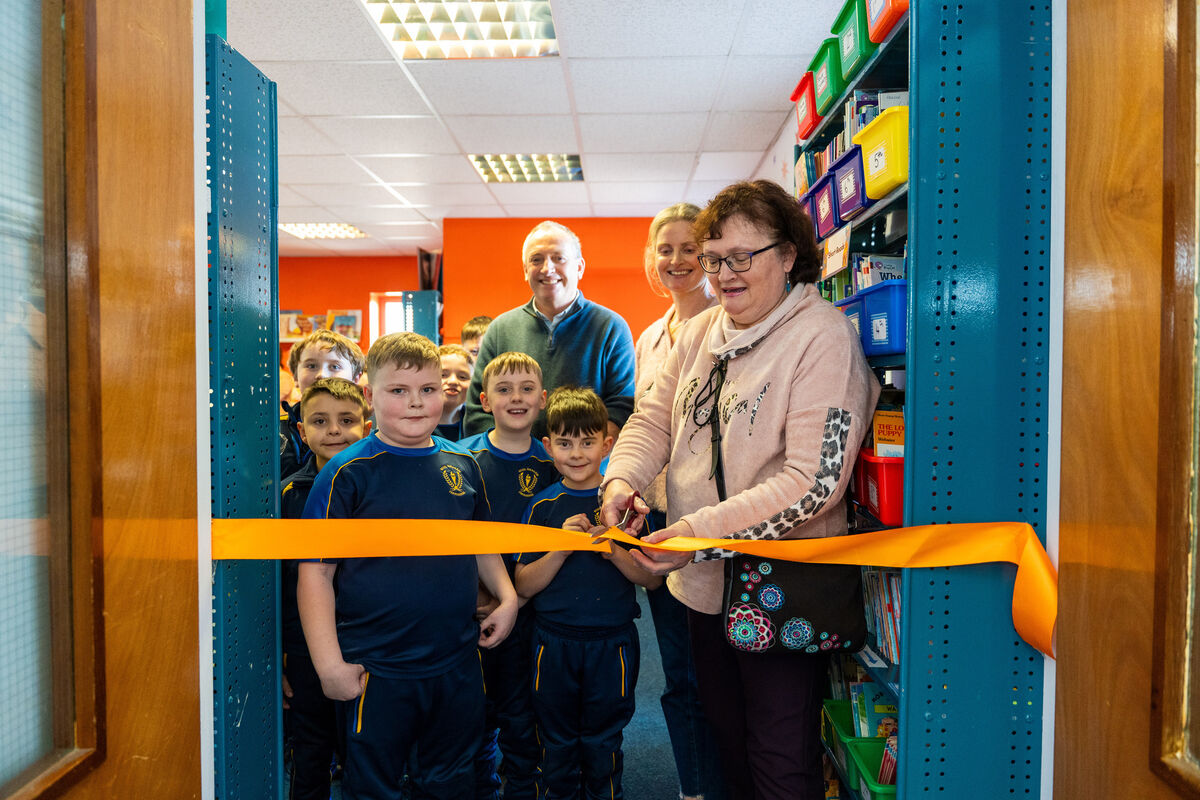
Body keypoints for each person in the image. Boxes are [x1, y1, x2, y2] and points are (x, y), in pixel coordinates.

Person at [598, 180, 880, 800]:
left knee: (780, 760)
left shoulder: (822, 338)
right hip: (702, 583)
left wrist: (695, 533)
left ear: (787, 256)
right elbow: (654, 418)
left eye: (742, 257)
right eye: (715, 258)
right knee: (727, 743)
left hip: (782, 587)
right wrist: (622, 479)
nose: (724, 275)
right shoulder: (702, 333)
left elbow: (814, 483)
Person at [298, 332, 519, 800]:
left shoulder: (464, 464)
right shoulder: (344, 473)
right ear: (368, 396)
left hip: (456, 662)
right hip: (375, 668)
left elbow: (482, 543)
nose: (416, 403)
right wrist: (328, 665)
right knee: (373, 786)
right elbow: (315, 572)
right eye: (398, 391)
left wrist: (508, 597)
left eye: (428, 389)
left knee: (450, 781)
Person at [514, 387, 661, 800]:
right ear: (548, 446)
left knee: (602, 741)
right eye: (564, 442)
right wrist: (561, 547)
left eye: (587, 441)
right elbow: (523, 585)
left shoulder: (627, 506)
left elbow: (651, 580)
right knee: (556, 742)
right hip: (552, 642)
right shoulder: (543, 506)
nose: (576, 453)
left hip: (610, 643)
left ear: (607, 444)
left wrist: (613, 551)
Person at [633, 203, 726, 800]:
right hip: (656, 519)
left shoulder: (726, 327)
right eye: (665, 249)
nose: (677, 260)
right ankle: (693, 786)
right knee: (675, 671)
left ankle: (721, 783)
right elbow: (648, 426)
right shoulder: (649, 335)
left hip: (707, 523)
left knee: (709, 673)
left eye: (690, 248)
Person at [458, 352, 560, 800]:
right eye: (503, 389)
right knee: (474, 717)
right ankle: (481, 788)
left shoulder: (555, 463)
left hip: (536, 616)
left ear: (543, 399)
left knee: (524, 719)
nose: (515, 397)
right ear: (485, 400)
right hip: (478, 609)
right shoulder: (465, 460)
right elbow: (459, 539)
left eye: (525, 389)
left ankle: (523, 788)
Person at [280, 377, 372, 800]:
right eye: (320, 421)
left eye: (347, 420)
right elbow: (280, 581)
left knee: (366, 751)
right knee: (310, 752)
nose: (334, 430)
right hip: (303, 649)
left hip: (369, 641)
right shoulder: (289, 495)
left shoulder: (379, 488)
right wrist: (278, 652)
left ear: (366, 424)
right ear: (302, 431)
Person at [462, 221, 636, 441]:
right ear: (526, 270)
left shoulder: (611, 327)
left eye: (558, 258)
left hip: (586, 470)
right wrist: (505, 459)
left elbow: (621, 408)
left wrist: (584, 457)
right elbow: (479, 409)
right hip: (511, 466)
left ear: (579, 267)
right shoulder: (499, 329)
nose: (547, 268)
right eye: (536, 259)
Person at [280, 329, 365, 479]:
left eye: (335, 366)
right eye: (311, 366)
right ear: (295, 376)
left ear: (356, 378)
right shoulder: (276, 433)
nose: (321, 374)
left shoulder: (365, 430)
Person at [436, 343, 473, 442]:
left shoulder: (476, 424)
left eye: (462, 377)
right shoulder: (416, 424)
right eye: (443, 375)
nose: (453, 381)